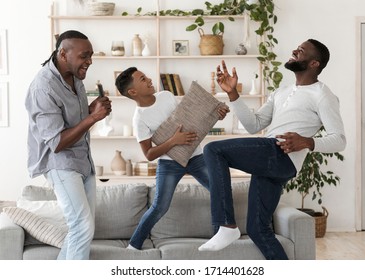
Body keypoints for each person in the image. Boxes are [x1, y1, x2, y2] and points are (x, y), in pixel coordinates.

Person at [198, 39, 346, 259]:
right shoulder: (281, 91)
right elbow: (254, 125)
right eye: (296, 47)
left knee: (213, 150)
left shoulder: (323, 95)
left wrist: (306, 141)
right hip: (271, 161)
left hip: (278, 154)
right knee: (259, 230)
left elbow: (339, 140)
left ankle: (226, 224)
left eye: (301, 51)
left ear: (314, 63)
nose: (295, 50)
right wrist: (233, 95)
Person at [115, 67, 229, 250]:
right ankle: (134, 247)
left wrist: (217, 115)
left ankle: (220, 237)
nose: (150, 80)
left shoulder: (166, 96)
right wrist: (173, 141)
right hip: (169, 164)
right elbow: (149, 154)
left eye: (146, 76)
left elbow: (191, 120)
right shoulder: (139, 119)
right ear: (133, 91)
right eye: (143, 79)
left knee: (220, 191)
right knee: (160, 206)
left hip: (196, 156)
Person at [25, 30, 112, 260]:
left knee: (83, 229)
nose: (90, 62)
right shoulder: (43, 87)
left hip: (84, 161)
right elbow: (57, 142)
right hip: (60, 163)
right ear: (63, 54)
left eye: (91, 55)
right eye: (85, 56)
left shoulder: (75, 77)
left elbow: (76, 123)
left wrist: (91, 110)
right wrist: (92, 118)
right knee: (82, 227)